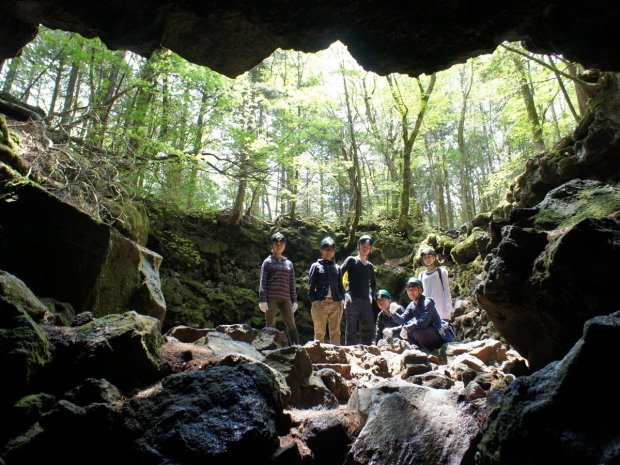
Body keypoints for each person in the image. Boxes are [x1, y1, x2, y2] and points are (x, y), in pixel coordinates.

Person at [258, 232, 299, 345]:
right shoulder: (267, 262)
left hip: (286, 298)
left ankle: (297, 348)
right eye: (276, 243)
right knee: (270, 322)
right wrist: (262, 299)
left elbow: (292, 283)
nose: (279, 246)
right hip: (271, 296)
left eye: (281, 244)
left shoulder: (289, 264)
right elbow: (263, 281)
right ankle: (267, 347)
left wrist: (294, 300)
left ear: (284, 246)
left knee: (291, 323)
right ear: (272, 246)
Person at [307, 236, 346, 345]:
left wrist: (342, 299)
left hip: (336, 303)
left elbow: (340, 286)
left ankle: (337, 356)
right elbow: (311, 285)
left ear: (334, 252)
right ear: (322, 250)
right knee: (319, 332)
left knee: (335, 332)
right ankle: (318, 357)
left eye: (331, 249)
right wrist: (314, 301)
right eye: (326, 249)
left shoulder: (337, 268)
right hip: (320, 303)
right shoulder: (316, 266)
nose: (329, 252)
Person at [389, 277, 444, 351]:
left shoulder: (427, 302)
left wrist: (406, 327)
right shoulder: (412, 305)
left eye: (414, 290)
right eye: (409, 290)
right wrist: (393, 313)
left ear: (420, 290)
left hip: (437, 333)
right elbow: (403, 320)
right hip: (426, 332)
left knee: (417, 331)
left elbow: (423, 322)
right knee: (409, 331)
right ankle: (418, 349)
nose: (411, 292)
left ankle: (433, 351)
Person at [340, 234, 376, 345]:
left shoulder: (370, 266)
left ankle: (367, 351)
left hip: (366, 301)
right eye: (363, 245)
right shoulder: (351, 260)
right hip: (352, 300)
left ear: (370, 249)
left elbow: (373, 284)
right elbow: (339, 274)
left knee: (368, 327)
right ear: (358, 246)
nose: (365, 247)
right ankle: (349, 353)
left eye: (368, 246)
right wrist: (343, 293)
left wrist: (370, 295)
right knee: (351, 328)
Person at [418, 246, 453, 321]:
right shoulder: (421, 275)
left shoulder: (441, 271)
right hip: (427, 306)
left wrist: (448, 305)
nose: (427, 259)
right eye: (425, 257)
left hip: (441, 306)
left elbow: (446, 289)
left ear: (434, 258)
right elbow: (420, 293)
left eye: (429, 257)